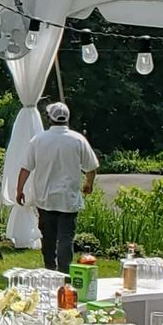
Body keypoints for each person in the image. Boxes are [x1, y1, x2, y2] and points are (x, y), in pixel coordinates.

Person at [15, 101, 100, 273]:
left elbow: (25, 168)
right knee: (66, 238)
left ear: (49, 119)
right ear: (67, 119)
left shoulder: (38, 139)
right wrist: (88, 183)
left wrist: (19, 190)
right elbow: (91, 167)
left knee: (48, 237)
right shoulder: (77, 140)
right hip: (67, 198)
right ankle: (64, 272)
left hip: (45, 198)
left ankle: (49, 269)